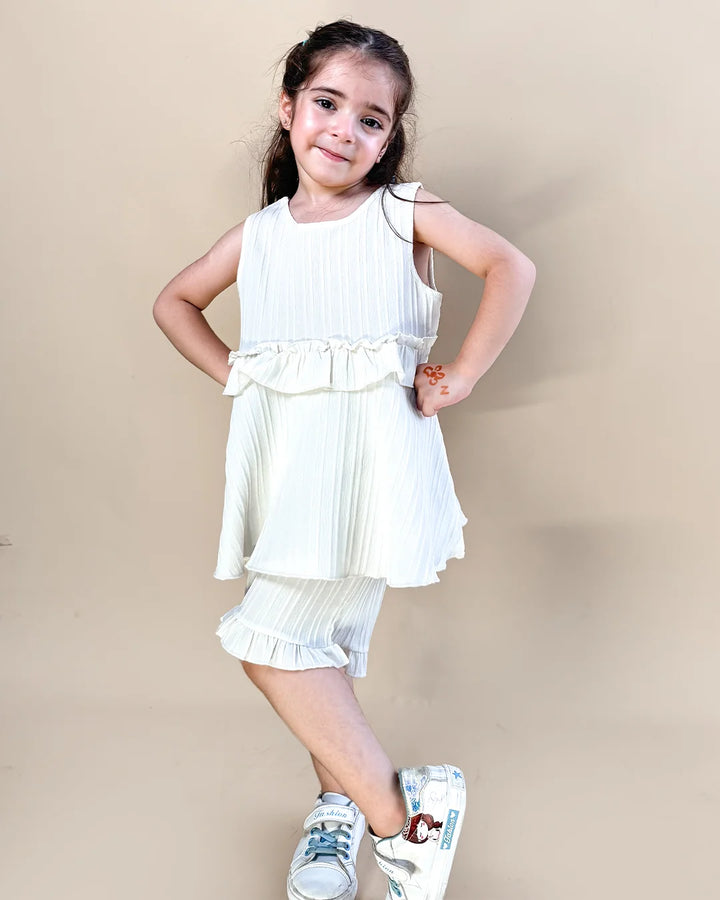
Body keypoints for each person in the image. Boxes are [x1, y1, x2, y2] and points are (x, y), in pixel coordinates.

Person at [153, 18, 536, 900]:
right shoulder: (261, 233)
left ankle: (406, 821)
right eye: (328, 103)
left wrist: (463, 375)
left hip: (370, 472)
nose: (345, 129)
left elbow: (508, 267)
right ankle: (337, 808)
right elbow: (175, 301)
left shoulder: (402, 212)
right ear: (289, 110)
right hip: (293, 471)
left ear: (388, 139)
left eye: (373, 119)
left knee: (272, 643)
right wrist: (240, 376)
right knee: (320, 646)